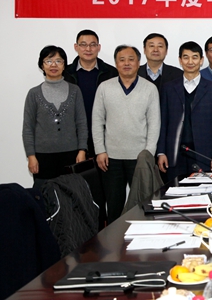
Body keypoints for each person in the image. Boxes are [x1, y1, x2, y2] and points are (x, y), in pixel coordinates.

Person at [92, 45, 160, 223]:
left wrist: (148, 154)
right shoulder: (104, 88)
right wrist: (100, 150)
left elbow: (154, 123)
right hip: (111, 158)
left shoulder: (150, 88)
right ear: (116, 63)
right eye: (122, 60)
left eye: (131, 59)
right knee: (114, 206)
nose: (126, 63)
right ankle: (114, 239)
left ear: (138, 62)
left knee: (143, 205)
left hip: (139, 157)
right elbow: (97, 121)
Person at [157, 41, 212, 182]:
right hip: (175, 153)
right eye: (186, 57)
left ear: (201, 60)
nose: (190, 62)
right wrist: (161, 152)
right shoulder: (169, 88)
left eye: (194, 57)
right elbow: (163, 122)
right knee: (175, 191)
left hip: (204, 154)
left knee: (204, 191)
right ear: (180, 60)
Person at [23, 46, 88, 192]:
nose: (54, 65)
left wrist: (82, 150)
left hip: (71, 154)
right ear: (42, 65)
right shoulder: (34, 93)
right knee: (44, 194)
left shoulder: (75, 91)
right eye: (49, 61)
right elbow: (28, 128)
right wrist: (31, 156)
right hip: (42, 156)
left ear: (64, 65)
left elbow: (81, 123)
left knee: (72, 194)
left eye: (58, 61)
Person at [63, 29, 117, 158]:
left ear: (99, 47)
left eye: (93, 45)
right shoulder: (65, 74)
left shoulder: (112, 73)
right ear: (76, 47)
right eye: (83, 44)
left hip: (105, 137)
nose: (88, 49)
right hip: (73, 137)